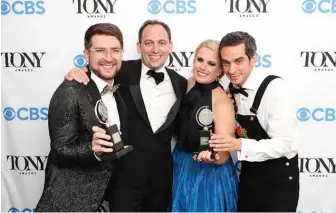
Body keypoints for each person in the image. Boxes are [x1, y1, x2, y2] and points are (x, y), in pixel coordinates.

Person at [65, 20, 187, 211]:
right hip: (123, 179)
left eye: (161, 42)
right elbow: (96, 73)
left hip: (162, 180)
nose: (155, 49)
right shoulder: (120, 71)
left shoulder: (180, 83)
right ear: (139, 47)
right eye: (148, 43)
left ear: (170, 46)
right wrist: (78, 72)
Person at [35, 23, 126, 212]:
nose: (109, 58)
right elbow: (59, 150)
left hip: (106, 198)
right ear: (86, 55)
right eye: (100, 50)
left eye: (115, 50)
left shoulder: (120, 87)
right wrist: (90, 149)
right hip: (69, 200)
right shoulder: (70, 90)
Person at [209, 31, 299, 212]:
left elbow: (284, 144)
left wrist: (238, 144)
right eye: (226, 63)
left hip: (278, 181)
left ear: (253, 59)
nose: (232, 70)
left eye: (238, 61)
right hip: (249, 177)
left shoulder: (275, 89)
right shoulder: (228, 91)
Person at [170, 40, 238, 212]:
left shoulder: (222, 102)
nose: (203, 67)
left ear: (220, 70)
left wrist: (211, 156)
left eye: (211, 63)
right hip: (180, 164)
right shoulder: (188, 83)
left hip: (207, 177)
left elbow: (222, 157)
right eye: (200, 60)